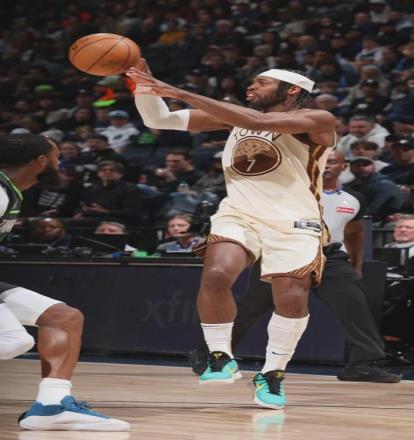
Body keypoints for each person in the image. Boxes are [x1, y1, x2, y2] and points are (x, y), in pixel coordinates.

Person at [128, 60, 336, 409]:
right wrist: (145, 85)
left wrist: (179, 92)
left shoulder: (318, 119)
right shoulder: (235, 118)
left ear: (292, 90)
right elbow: (158, 119)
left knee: (290, 297)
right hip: (240, 212)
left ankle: (272, 372)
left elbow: (259, 122)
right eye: (252, 82)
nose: (251, 86)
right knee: (217, 272)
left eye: (261, 82)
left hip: (295, 219)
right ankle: (220, 356)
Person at [190, 150, 401, 383]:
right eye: (321, 160)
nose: (325, 165)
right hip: (284, 251)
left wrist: (356, 263)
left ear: (344, 166)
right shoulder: (288, 190)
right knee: (252, 307)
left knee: (355, 303)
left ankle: (364, 364)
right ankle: (212, 354)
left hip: (329, 256)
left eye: (332, 161)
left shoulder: (354, 198)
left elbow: (355, 232)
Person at [0, 133, 128, 431]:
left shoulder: (10, 190)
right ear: (40, 161)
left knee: (64, 318)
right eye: (57, 157)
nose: (60, 163)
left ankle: (51, 406)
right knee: (15, 340)